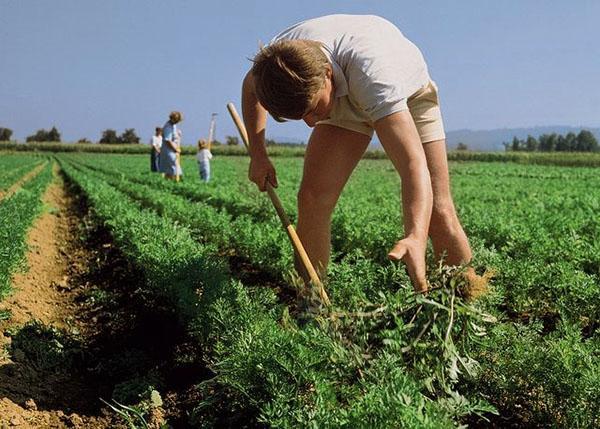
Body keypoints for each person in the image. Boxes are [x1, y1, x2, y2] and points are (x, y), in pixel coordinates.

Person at [241, 14, 478, 294]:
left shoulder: (375, 76)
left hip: (408, 95)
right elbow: (250, 86)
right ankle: (313, 301)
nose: (311, 124)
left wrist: (415, 236)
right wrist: (258, 154)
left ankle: (466, 301)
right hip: (341, 90)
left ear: (327, 74)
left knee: (437, 208)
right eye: (301, 116)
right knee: (312, 199)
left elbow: (414, 165)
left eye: (314, 110)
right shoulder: (274, 66)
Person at [159, 111, 183, 181]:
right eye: (177, 120)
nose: (178, 122)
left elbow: (174, 135)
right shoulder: (168, 127)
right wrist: (175, 149)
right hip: (168, 150)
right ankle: (173, 182)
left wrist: (178, 134)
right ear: (173, 119)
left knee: (172, 168)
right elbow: (168, 141)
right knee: (173, 168)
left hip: (172, 150)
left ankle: (169, 182)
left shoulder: (173, 125)